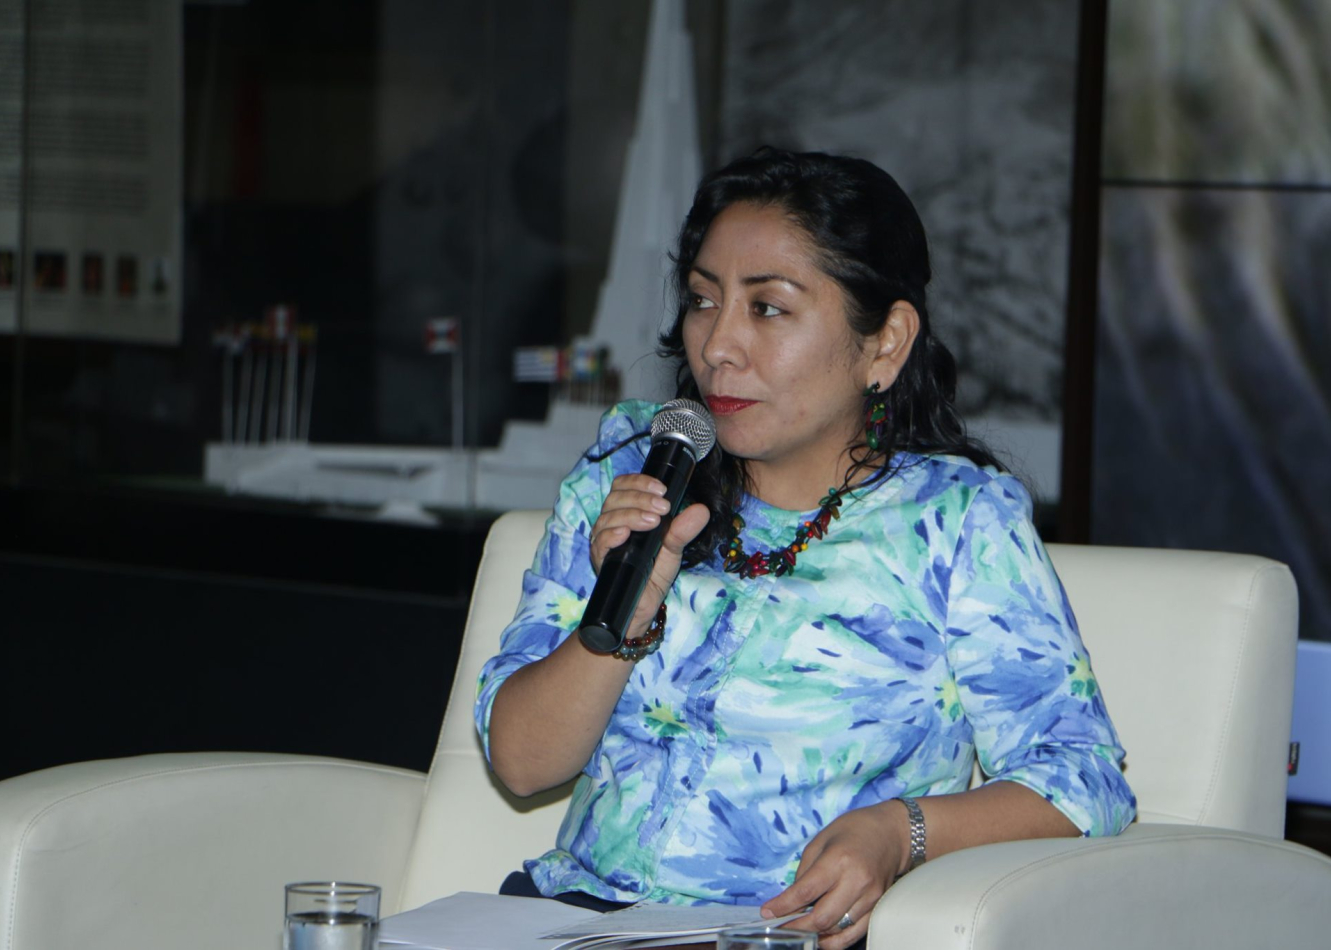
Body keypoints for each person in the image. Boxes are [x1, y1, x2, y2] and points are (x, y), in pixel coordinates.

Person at [475, 148, 1135, 950]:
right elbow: (520, 762)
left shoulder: (951, 520)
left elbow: (1081, 780)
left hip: (772, 936)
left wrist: (900, 834)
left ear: (884, 343)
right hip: (566, 922)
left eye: (768, 309)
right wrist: (624, 615)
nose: (718, 345)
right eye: (702, 301)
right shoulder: (631, 473)